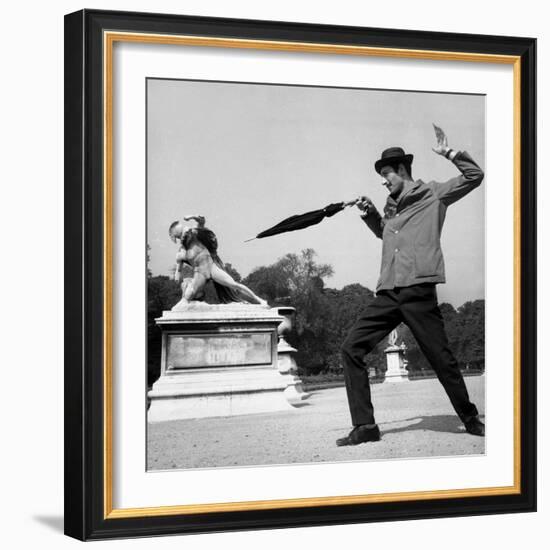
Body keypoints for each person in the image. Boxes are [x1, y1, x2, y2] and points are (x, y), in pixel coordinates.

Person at [336, 124, 485, 447]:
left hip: (419, 292)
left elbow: (475, 177)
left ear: (402, 170)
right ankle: (365, 426)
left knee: (441, 359)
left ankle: (470, 417)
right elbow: (387, 236)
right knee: (351, 348)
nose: (383, 180)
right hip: (388, 292)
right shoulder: (390, 207)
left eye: (387, 173)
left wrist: (450, 153)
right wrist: (372, 216)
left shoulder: (433, 194)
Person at [169, 215, 267, 306]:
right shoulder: (181, 252)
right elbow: (178, 270)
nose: (186, 232)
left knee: (234, 284)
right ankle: (186, 302)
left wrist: (191, 216)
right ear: (179, 237)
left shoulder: (195, 235)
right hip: (200, 273)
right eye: (182, 233)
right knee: (187, 297)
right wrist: (178, 273)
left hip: (211, 267)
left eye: (184, 230)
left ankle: (259, 300)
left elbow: (201, 220)